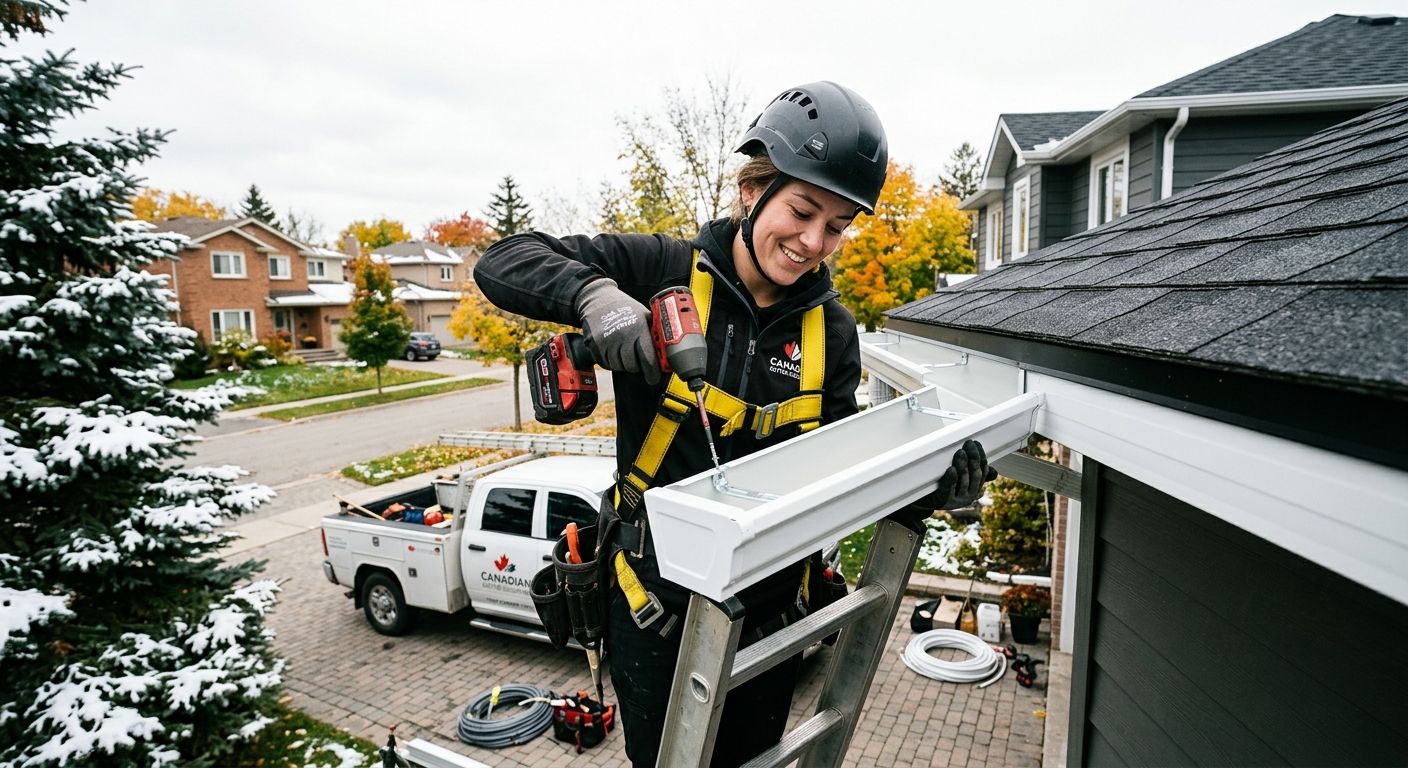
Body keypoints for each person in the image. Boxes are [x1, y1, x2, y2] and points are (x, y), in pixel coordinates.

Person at [476, 80, 996, 767]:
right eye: (803, 210)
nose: (813, 242)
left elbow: (843, 465)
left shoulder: (830, 334)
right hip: (653, 609)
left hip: (770, 614)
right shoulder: (659, 269)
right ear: (753, 189)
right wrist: (595, 295)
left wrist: (932, 488)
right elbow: (502, 260)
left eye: (837, 227)